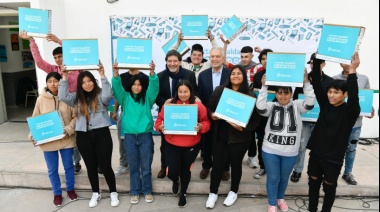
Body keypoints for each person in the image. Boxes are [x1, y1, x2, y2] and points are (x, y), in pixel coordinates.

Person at [19, 30, 83, 174]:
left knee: (84, 137)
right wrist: (31, 41)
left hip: (79, 107)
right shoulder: (54, 70)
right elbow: (39, 61)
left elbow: (76, 54)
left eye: (60, 56)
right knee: (71, 136)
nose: (58, 59)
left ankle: (94, 162)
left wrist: (58, 40)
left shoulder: (77, 68)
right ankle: (76, 162)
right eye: (55, 57)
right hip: (63, 108)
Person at [58, 63, 119, 208]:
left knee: (105, 166)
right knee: (90, 166)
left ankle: (113, 192)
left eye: (90, 81)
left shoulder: (100, 94)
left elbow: (108, 96)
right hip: (83, 136)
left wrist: (102, 75)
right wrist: (64, 77)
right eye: (84, 82)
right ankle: (95, 193)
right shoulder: (76, 98)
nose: (87, 84)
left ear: (94, 81)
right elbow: (63, 96)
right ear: (80, 85)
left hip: (102, 134)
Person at [307, 54, 360, 212]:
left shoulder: (350, 112)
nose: (331, 95)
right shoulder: (325, 105)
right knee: (313, 183)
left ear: (345, 94)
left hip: (333, 158)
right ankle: (312, 209)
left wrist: (352, 71)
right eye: (330, 92)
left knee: (329, 188)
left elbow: (355, 96)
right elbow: (316, 82)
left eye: (336, 92)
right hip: (316, 153)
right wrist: (317, 59)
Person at [256, 70, 316, 212]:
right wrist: (264, 88)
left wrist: (306, 83)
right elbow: (260, 107)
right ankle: (271, 203)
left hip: (290, 152)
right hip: (270, 150)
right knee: (273, 178)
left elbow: (311, 102)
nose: (283, 96)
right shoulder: (272, 106)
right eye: (280, 93)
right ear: (276, 94)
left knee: (284, 178)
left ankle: (280, 198)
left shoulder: (297, 105)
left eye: (286, 93)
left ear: (291, 94)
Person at [205, 65, 261, 209]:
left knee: (236, 166)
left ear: (244, 76)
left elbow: (255, 120)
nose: (235, 76)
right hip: (221, 136)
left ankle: (233, 191)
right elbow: (209, 107)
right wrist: (212, 115)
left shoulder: (250, 95)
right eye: (233, 73)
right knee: (217, 165)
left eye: (239, 74)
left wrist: (243, 127)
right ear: (229, 76)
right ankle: (213, 193)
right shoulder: (220, 91)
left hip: (240, 139)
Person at [155, 80, 211, 208]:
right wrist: (160, 127)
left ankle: (183, 193)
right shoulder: (169, 105)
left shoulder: (198, 106)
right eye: (180, 92)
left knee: (186, 170)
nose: (183, 94)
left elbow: (206, 122)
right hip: (172, 144)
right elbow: (159, 120)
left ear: (191, 92)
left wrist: (201, 126)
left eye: (186, 92)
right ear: (177, 92)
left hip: (191, 145)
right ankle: (175, 180)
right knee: (172, 172)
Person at [28, 72, 77, 207]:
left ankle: (70, 189)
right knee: (52, 169)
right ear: (46, 83)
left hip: (66, 139)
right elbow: (35, 119)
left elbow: (76, 117)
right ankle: (56, 193)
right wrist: (33, 135)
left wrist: (69, 129)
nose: (53, 84)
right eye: (50, 81)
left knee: (68, 166)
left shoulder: (67, 98)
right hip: (48, 141)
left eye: (55, 81)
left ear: (60, 82)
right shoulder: (40, 99)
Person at [112, 61, 158, 204]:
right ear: (130, 86)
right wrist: (115, 75)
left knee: (145, 165)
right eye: (134, 84)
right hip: (130, 136)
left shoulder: (147, 98)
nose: (136, 87)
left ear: (142, 86)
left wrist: (152, 73)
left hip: (145, 135)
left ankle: (147, 190)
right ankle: (135, 191)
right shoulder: (125, 98)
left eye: (139, 84)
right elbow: (117, 88)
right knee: (133, 166)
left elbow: (154, 88)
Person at [290, 53, 334, 183]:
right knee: (301, 146)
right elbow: (296, 98)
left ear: (323, 64)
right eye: (311, 63)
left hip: (322, 120)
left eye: (317, 62)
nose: (313, 65)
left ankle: (316, 172)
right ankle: (297, 170)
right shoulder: (302, 79)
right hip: (304, 119)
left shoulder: (330, 82)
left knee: (319, 148)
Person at [155, 50, 197, 179]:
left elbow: (194, 93)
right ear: (166, 62)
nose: (172, 63)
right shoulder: (160, 76)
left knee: (182, 142)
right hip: (167, 114)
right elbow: (157, 96)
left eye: (175, 61)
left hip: (185, 114)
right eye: (169, 61)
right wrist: (167, 103)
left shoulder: (189, 75)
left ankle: (181, 167)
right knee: (165, 143)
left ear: (180, 62)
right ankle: (164, 166)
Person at [333, 60, 374, 185]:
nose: (348, 63)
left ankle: (348, 173)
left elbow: (366, 98)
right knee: (335, 149)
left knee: (351, 149)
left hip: (355, 124)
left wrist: (369, 109)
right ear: (340, 63)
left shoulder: (363, 79)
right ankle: (333, 172)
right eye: (345, 61)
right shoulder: (334, 79)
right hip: (338, 123)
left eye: (351, 61)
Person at [197, 47, 231, 180]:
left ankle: (225, 168)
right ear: (209, 58)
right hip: (207, 115)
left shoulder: (230, 74)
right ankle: (206, 166)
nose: (215, 59)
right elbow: (199, 93)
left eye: (218, 56)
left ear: (222, 58)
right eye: (212, 57)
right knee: (206, 143)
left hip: (225, 116)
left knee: (224, 143)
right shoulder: (203, 75)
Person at [111, 69, 149, 176]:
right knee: (123, 141)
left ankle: (142, 166)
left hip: (140, 115)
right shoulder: (122, 76)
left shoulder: (145, 77)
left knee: (142, 142)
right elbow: (119, 95)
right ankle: (124, 164)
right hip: (125, 113)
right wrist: (115, 111)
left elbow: (150, 94)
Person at [251, 49, 275, 179]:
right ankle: (263, 167)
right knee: (261, 140)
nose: (266, 61)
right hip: (261, 114)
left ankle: (273, 167)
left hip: (277, 114)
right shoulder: (258, 76)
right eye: (263, 59)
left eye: (269, 58)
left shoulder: (281, 74)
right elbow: (256, 94)